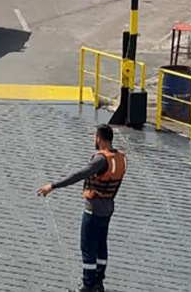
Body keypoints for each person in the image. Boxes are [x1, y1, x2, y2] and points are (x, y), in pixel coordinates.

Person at [37, 124, 127, 292]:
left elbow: (79, 175)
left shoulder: (100, 160)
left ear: (99, 138)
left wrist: (53, 185)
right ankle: (99, 282)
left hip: (93, 209)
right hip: (108, 208)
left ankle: (87, 285)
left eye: (95, 137)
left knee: (88, 246)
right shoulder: (120, 158)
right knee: (101, 244)